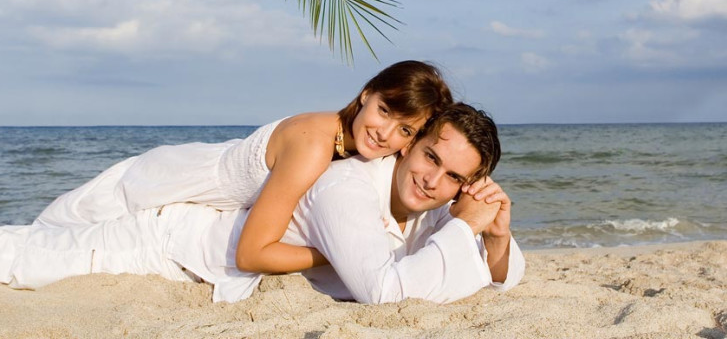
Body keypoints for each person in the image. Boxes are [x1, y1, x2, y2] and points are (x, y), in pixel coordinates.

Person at [1, 103, 525, 304]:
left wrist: (495, 236)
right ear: (410, 144)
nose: (432, 180)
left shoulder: (437, 202)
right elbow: (388, 293)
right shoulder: (346, 188)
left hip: (192, 255)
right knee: (25, 256)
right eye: (431, 157)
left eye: (454, 176)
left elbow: (502, 276)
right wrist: (463, 232)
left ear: (467, 185)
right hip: (169, 244)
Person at [33, 60, 452, 274]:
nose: (384, 134)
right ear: (365, 95)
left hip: (195, 192)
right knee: (48, 234)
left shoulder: (354, 142)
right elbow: (252, 254)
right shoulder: (314, 145)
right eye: (383, 111)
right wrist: (338, 252)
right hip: (164, 180)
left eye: (404, 130)